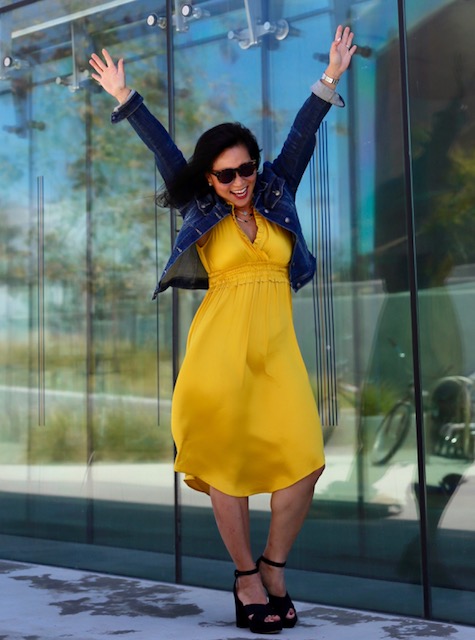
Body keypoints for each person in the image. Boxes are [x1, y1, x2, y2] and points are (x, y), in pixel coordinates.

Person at [89, 25, 356, 635]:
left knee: (305, 464)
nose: (241, 181)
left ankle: (274, 564)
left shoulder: (277, 190)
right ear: (209, 181)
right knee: (226, 468)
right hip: (219, 354)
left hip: (277, 354)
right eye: (227, 174)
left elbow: (301, 134)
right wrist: (125, 98)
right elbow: (164, 152)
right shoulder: (203, 210)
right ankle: (245, 578)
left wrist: (331, 75)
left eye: (247, 169)